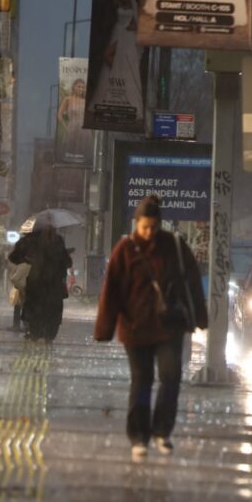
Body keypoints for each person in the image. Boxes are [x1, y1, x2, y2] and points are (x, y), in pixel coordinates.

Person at [94, 196, 207, 461]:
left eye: (153, 227)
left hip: (170, 325)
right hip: (136, 327)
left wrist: (199, 318)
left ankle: (161, 431)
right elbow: (111, 290)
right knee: (141, 380)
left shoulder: (175, 246)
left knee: (171, 378)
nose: (149, 232)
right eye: (144, 227)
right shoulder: (125, 249)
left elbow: (192, 284)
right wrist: (104, 328)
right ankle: (138, 436)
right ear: (136, 224)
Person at [8, 219, 73, 343]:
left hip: (39, 284)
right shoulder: (56, 241)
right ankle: (42, 337)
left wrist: (27, 259)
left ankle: (37, 337)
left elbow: (14, 257)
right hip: (49, 285)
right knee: (48, 315)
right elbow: (67, 261)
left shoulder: (30, 241)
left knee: (37, 315)